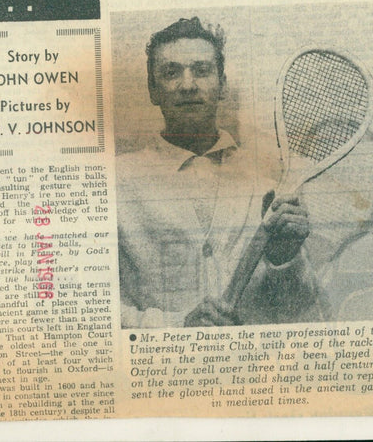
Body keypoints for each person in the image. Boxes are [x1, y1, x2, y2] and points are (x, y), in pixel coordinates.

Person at [117, 17, 321, 328]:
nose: (188, 85)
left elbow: (299, 312)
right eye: (171, 73)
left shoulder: (266, 184)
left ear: (222, 84)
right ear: (152, 90)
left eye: (202, 70)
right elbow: (93, 310)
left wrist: (284, 259)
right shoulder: (116, 183)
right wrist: (175, 326)